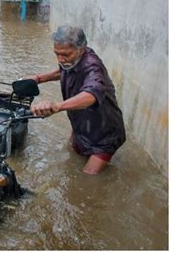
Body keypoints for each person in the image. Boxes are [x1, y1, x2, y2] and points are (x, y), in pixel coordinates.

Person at [29, 26, 126, 175]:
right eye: (57, 54)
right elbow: (63, 69)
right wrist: (39, 79)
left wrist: (56, 106)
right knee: (70, 154)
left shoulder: (93, 67)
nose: (60, 59)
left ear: (82, 49)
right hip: (81, 124)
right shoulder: (72, 59)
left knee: (88, 177)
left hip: (104, 134)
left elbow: (91, 94)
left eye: (65, 54)